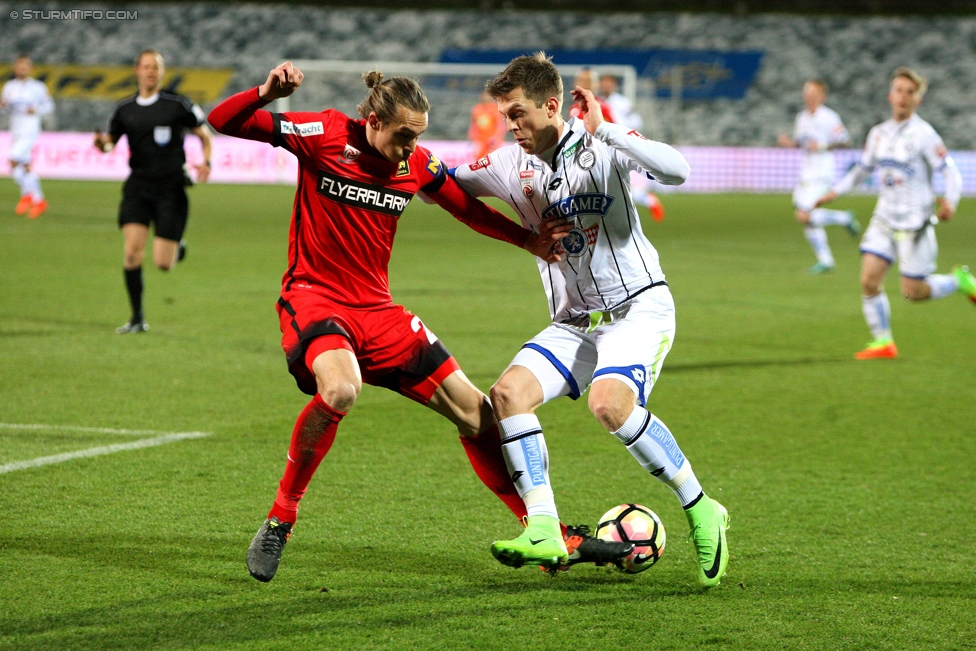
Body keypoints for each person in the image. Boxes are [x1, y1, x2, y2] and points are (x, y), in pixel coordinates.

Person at [207, 61, 633, 583]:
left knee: (479, 416)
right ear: (371, 121)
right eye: (403, 136)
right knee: (341, 390)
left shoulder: (417, 165)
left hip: (379, 312)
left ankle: (550, 533)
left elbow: (466, 209)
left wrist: (528, 241)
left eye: (418, 138)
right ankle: (281, 518)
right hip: (316, 300)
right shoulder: (322, 134)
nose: (410, 149)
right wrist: (264, 93)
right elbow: (222, 120)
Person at [450, 52, 731, 586]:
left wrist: (610, 131)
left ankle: (700, 507)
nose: (511, 127)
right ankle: (543, 528)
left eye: (518, 115)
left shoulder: (602, 145)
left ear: (552, 106)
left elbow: (678, 171)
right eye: (506, 116)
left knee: (609, 403)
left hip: (638, 308)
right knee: (508, 395)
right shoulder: (511, 164)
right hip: (575, 320)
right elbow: (443, 183)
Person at [817, 67, 973, 360]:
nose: (903, 96)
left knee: (913, 292)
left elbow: (949, 171)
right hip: (884, 218)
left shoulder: (924, 134)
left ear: (918, 101)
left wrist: (950, 201)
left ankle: (958, 281)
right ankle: (884, 342)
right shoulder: (878, 134)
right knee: (868, 280)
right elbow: (862, 169)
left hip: (915, 222)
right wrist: (835, 192)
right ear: (890, 96)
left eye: (910, 92)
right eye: (899, 90)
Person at [94, 49, 212, 334]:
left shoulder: (177, 104)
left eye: (156, 67)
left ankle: (177, 246)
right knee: (132, 253)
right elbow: (111, 142)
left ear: (161, 72)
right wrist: (102, 144)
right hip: (138, 187)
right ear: (137, 70)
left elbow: (204, 134)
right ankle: (137, 318)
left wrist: (205, 161)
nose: (150, 71)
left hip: (170, 188)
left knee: (163, 263)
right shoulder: (124, 109)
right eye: (146, 66)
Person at [777, 80, 860, 274]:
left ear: (822, 96)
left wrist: (822, 146)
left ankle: (842, 220)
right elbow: (801, 143)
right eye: (806, 92)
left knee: (804, 214)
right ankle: (827, 259)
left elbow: (845, 141)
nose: (809, 96)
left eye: (813, 93)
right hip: (805, 173)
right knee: (806, 218)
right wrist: (789, 143)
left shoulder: (830, 117)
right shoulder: (802, 118)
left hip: (822, 172)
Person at [1, 55, 54, 218]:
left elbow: (49, 106)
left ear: (30, 69)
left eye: (24, 67)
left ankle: (27, 195)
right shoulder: (9, 86)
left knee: (14, 158)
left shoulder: (38, 87)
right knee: (21, 167)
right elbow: (4, 109)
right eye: (18, 67)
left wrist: (36, 110)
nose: (21, 70)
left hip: (30, 129)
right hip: (16, 129)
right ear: (15, 68)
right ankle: (38, 200)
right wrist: (3, 106)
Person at [469, 90, 507, 161]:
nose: (485, 97)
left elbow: (500, 125)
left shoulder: (495, 108)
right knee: (479, 161)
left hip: (492, 141)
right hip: (480, 140)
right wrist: (472, 137)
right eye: (483, 95)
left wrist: (497, 137)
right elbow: (473, 125)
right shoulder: (477, 108)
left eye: (486, 95)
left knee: (493, 161)